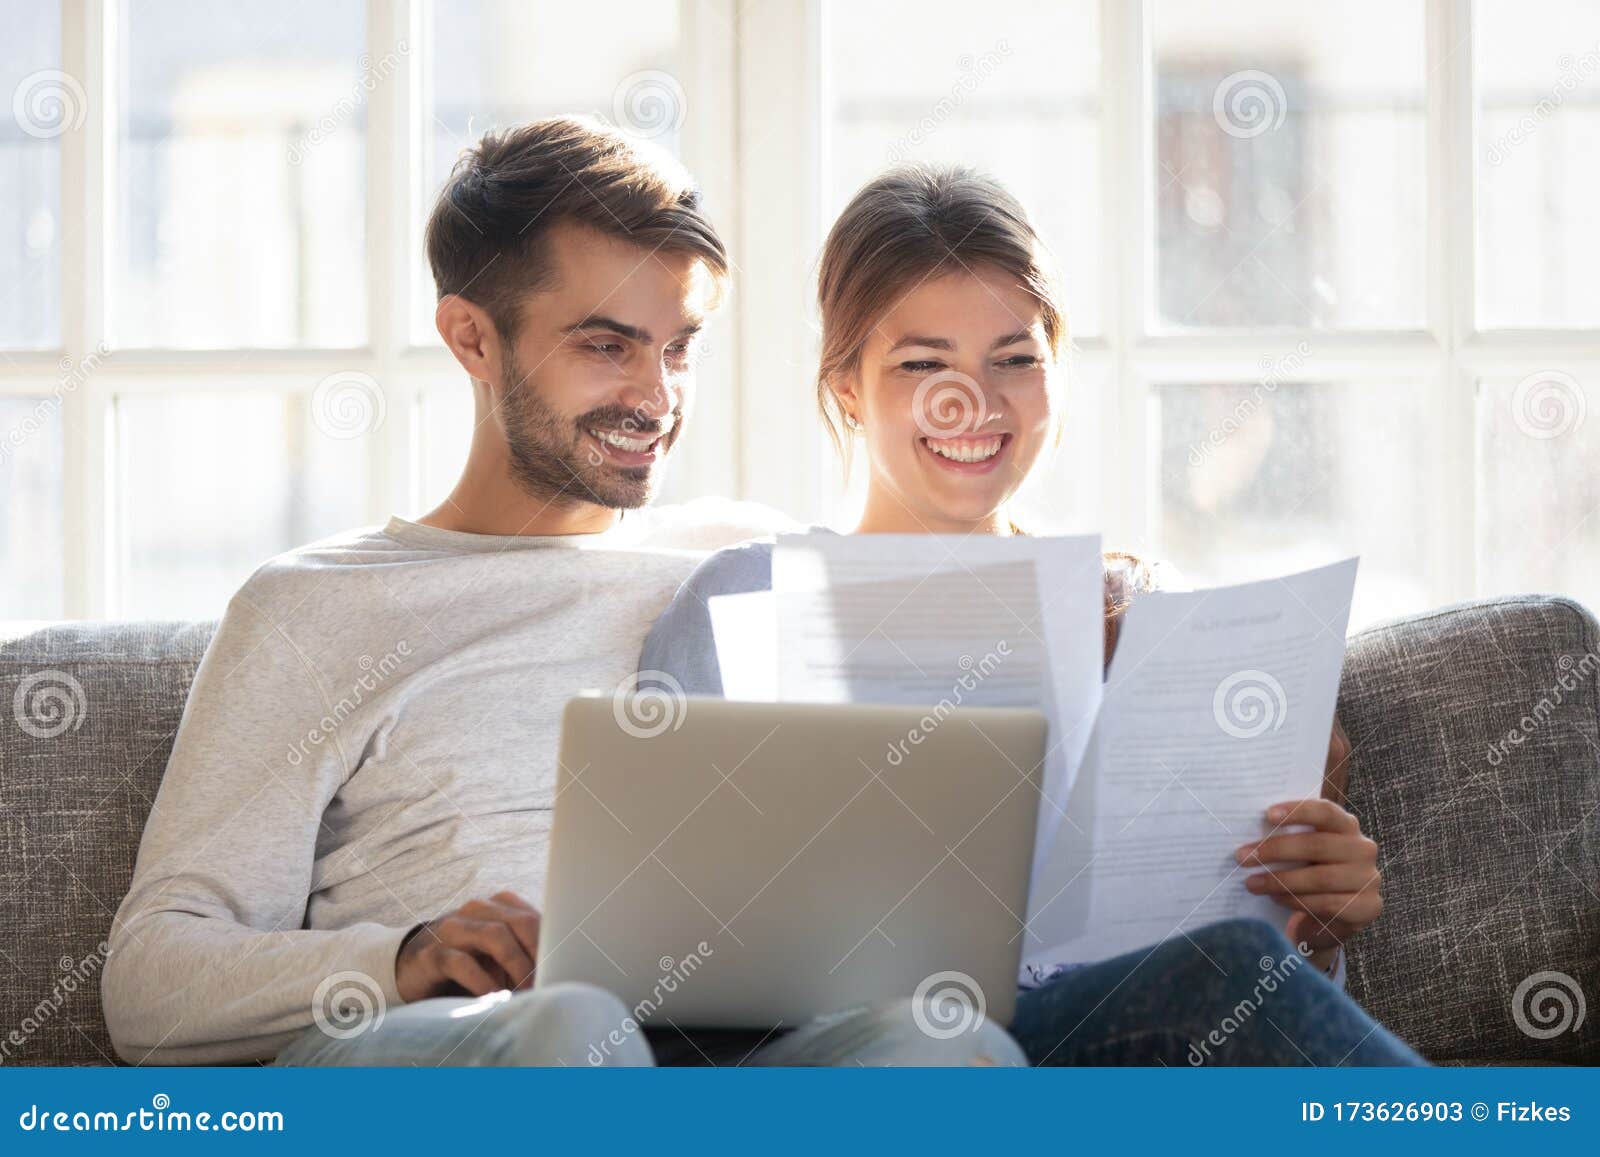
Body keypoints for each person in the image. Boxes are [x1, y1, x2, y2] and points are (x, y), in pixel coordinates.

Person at [100, 119, 1022, 1068]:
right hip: (456, 1043)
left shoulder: (746, 565)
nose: (657, 398)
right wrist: (405, 959)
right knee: (575, 1029)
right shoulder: (315, 609)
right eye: (606, 346)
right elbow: (149, 983)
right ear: (472, 338)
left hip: (722, 1053)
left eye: (679, 349)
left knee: (943, 1040)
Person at [639, 163, 1417, 1066]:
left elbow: (1255, 1007)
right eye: (922, 364)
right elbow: (661, 966)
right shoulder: (742, 601)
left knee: (1231, 964)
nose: (974, 401)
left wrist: (1317, 920)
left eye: (1015, 360)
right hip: (853, 1067)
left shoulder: (1150, 613)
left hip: (1103, 1059)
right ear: (846, 386)